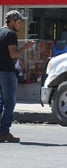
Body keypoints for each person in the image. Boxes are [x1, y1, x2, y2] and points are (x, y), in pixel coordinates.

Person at [0, 10, 35, 143]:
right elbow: (13, 54)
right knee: (9, 103)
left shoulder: (1, 32)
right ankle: (4, 132)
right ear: (12, 21)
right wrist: (26, 47)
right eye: (19, 22)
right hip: (7, 72)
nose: (20, 25)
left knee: (2, 102)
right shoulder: (10, 34)